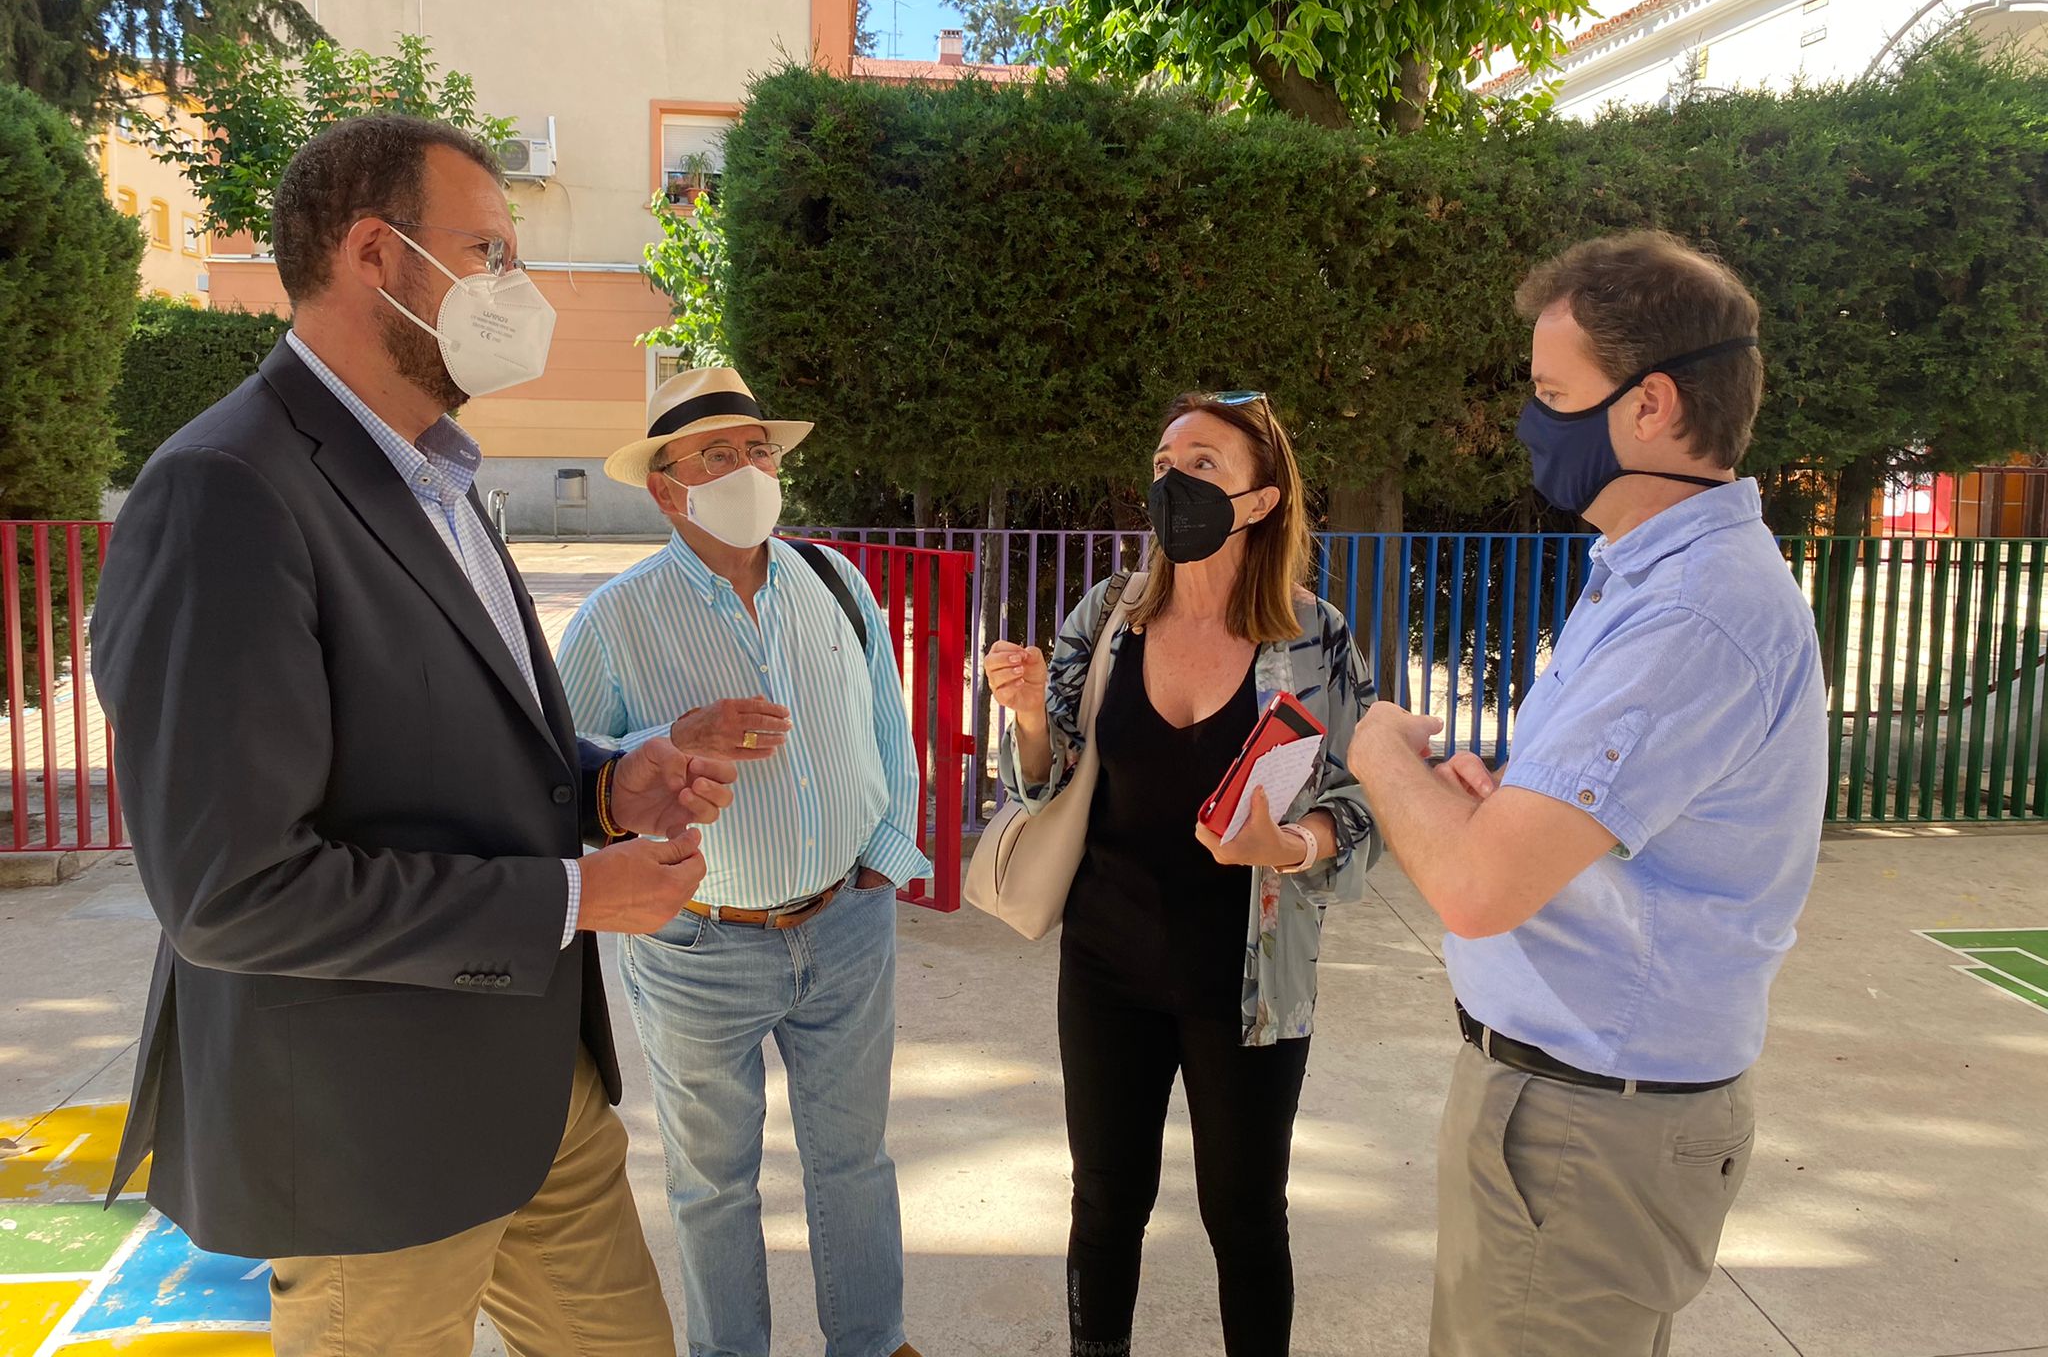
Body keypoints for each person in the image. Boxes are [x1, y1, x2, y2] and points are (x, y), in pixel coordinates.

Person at [88, 114, 738, 1357]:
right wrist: (569, 899)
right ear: (377, 257)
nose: (518, 291)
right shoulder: (226, 489)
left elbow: (445, 747)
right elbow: (231, 891)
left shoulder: (436, 473)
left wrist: (609, 783)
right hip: (364, 1139)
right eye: (489, 253)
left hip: (539, 1095)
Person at [1346, 232, 1827, 1356]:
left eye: (1552, 395)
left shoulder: (1687, 614)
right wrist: (1503, 798)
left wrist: (1377, 755)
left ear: (1650, 405)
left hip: (1583, 1131)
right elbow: (1593, 831)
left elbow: (1474, 888)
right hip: (1579, 1113)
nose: (1530, 424)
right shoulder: (1648, 577)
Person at [987, 391, 1377, 1357]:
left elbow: (1365, 805)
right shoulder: (1110, 617)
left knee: (1244, 1216)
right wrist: (1034, 716)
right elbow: (1046, 782)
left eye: (1204, 464)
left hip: (1247, 980)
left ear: (1258, 501)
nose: (1174, 479)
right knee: (1106, 1200)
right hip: (1108, 964)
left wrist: (1288, 848)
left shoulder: (1313, 636)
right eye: (1165, 460)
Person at [557, 365, 928, 1357]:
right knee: (712, 1182)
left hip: (845, 925)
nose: (748, 467)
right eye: (716, 454)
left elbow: (881, 720)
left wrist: (884, 853)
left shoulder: (834, 582)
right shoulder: (612, 622)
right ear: (667, 488)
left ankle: (872, 1340)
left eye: (757, 447)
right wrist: (673, 733)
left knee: (852, 1160)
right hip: (696, 948)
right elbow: (551, 782)